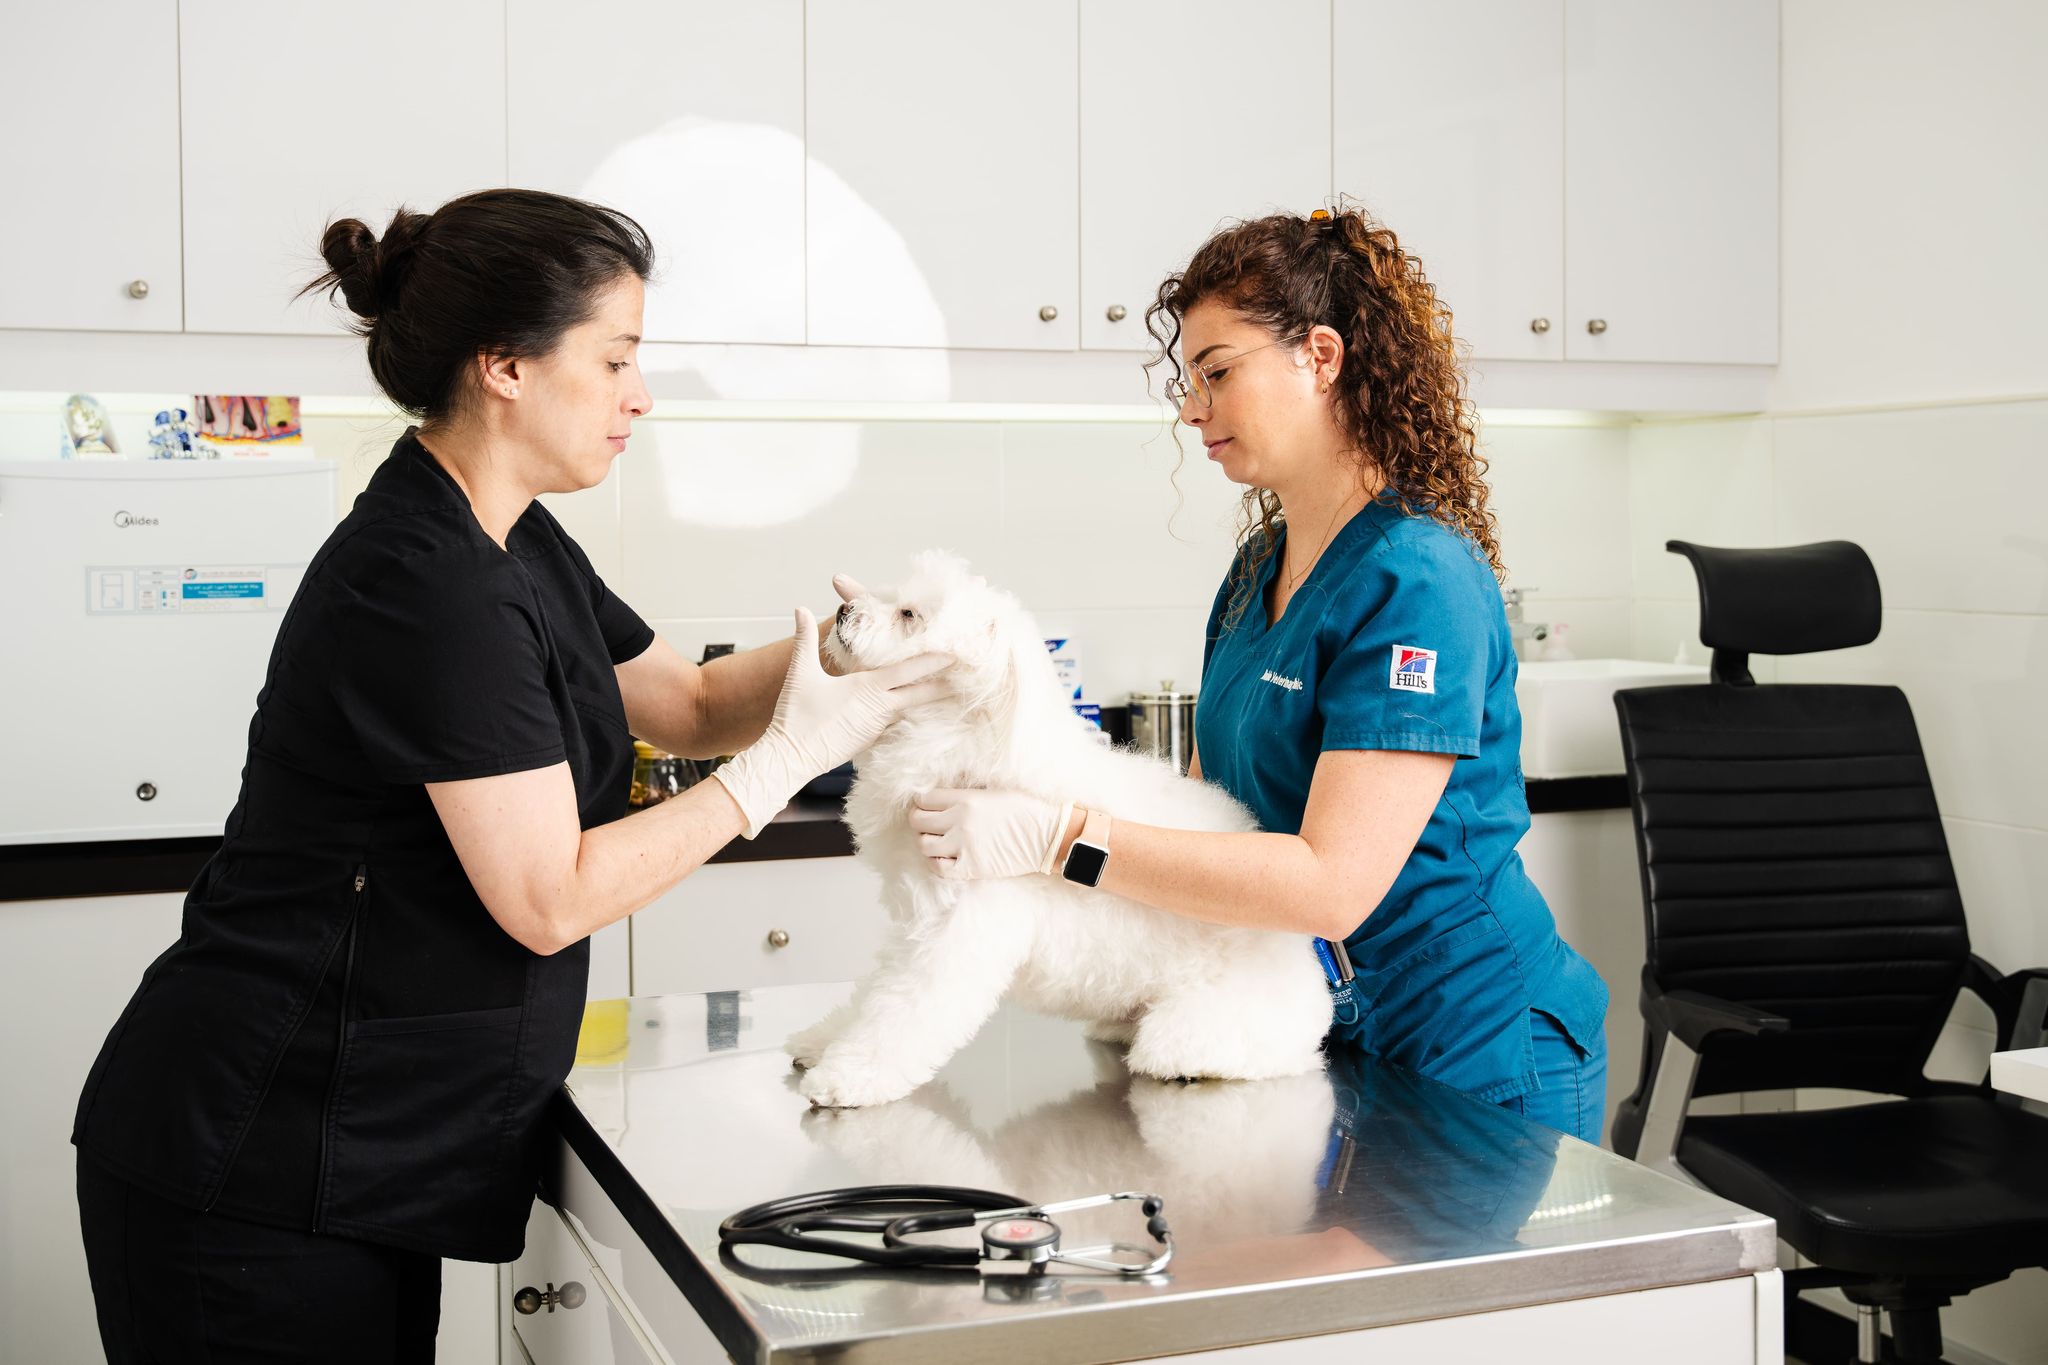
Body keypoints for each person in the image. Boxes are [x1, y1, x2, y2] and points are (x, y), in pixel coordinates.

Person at [71, 188, 944, 1363]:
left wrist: (885, 634)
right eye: (617, 357)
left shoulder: (508, 530)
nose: (640, 394)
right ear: (505, 367)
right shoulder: (428, 579)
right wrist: (793, 757)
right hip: (257, 1157)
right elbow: (548, 898)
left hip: (354, 1147)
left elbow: (684, 703)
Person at [911, 205, 1608, 1143]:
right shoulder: (1258, 572)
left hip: (1474, 1044)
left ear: (1321, 357)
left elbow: (1329, 883)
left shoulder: (1419, 580)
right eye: (1188, 380)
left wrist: (1061, 838)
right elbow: (1204, 811)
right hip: (1316, 1024)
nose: (1193, 409)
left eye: (1218, 372)